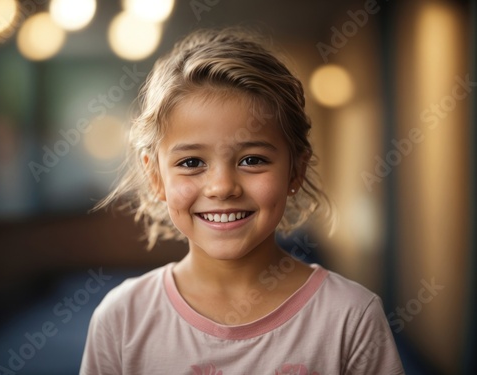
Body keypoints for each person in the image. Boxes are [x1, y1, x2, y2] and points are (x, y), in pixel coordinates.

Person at [80, 28, 405, 375]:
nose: (222, 187)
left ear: (296, 171)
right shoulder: (121, 318)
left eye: (252, 160)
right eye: (191, 163)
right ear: (156, 177)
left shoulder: (351, 318)